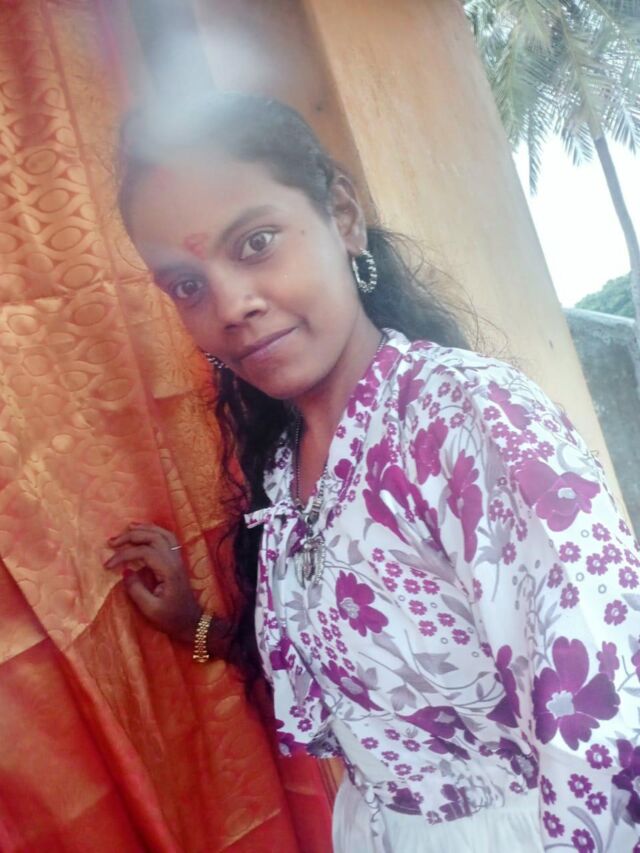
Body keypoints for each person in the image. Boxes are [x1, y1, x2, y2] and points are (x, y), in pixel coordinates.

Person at [105, 93, 640, 852]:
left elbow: (610, 728)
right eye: (187, 284)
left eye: (256, 242)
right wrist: (193, 626)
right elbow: (351, 675)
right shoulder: (285, 465)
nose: (231, 305)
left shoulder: (466, 418)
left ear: (343, 216)